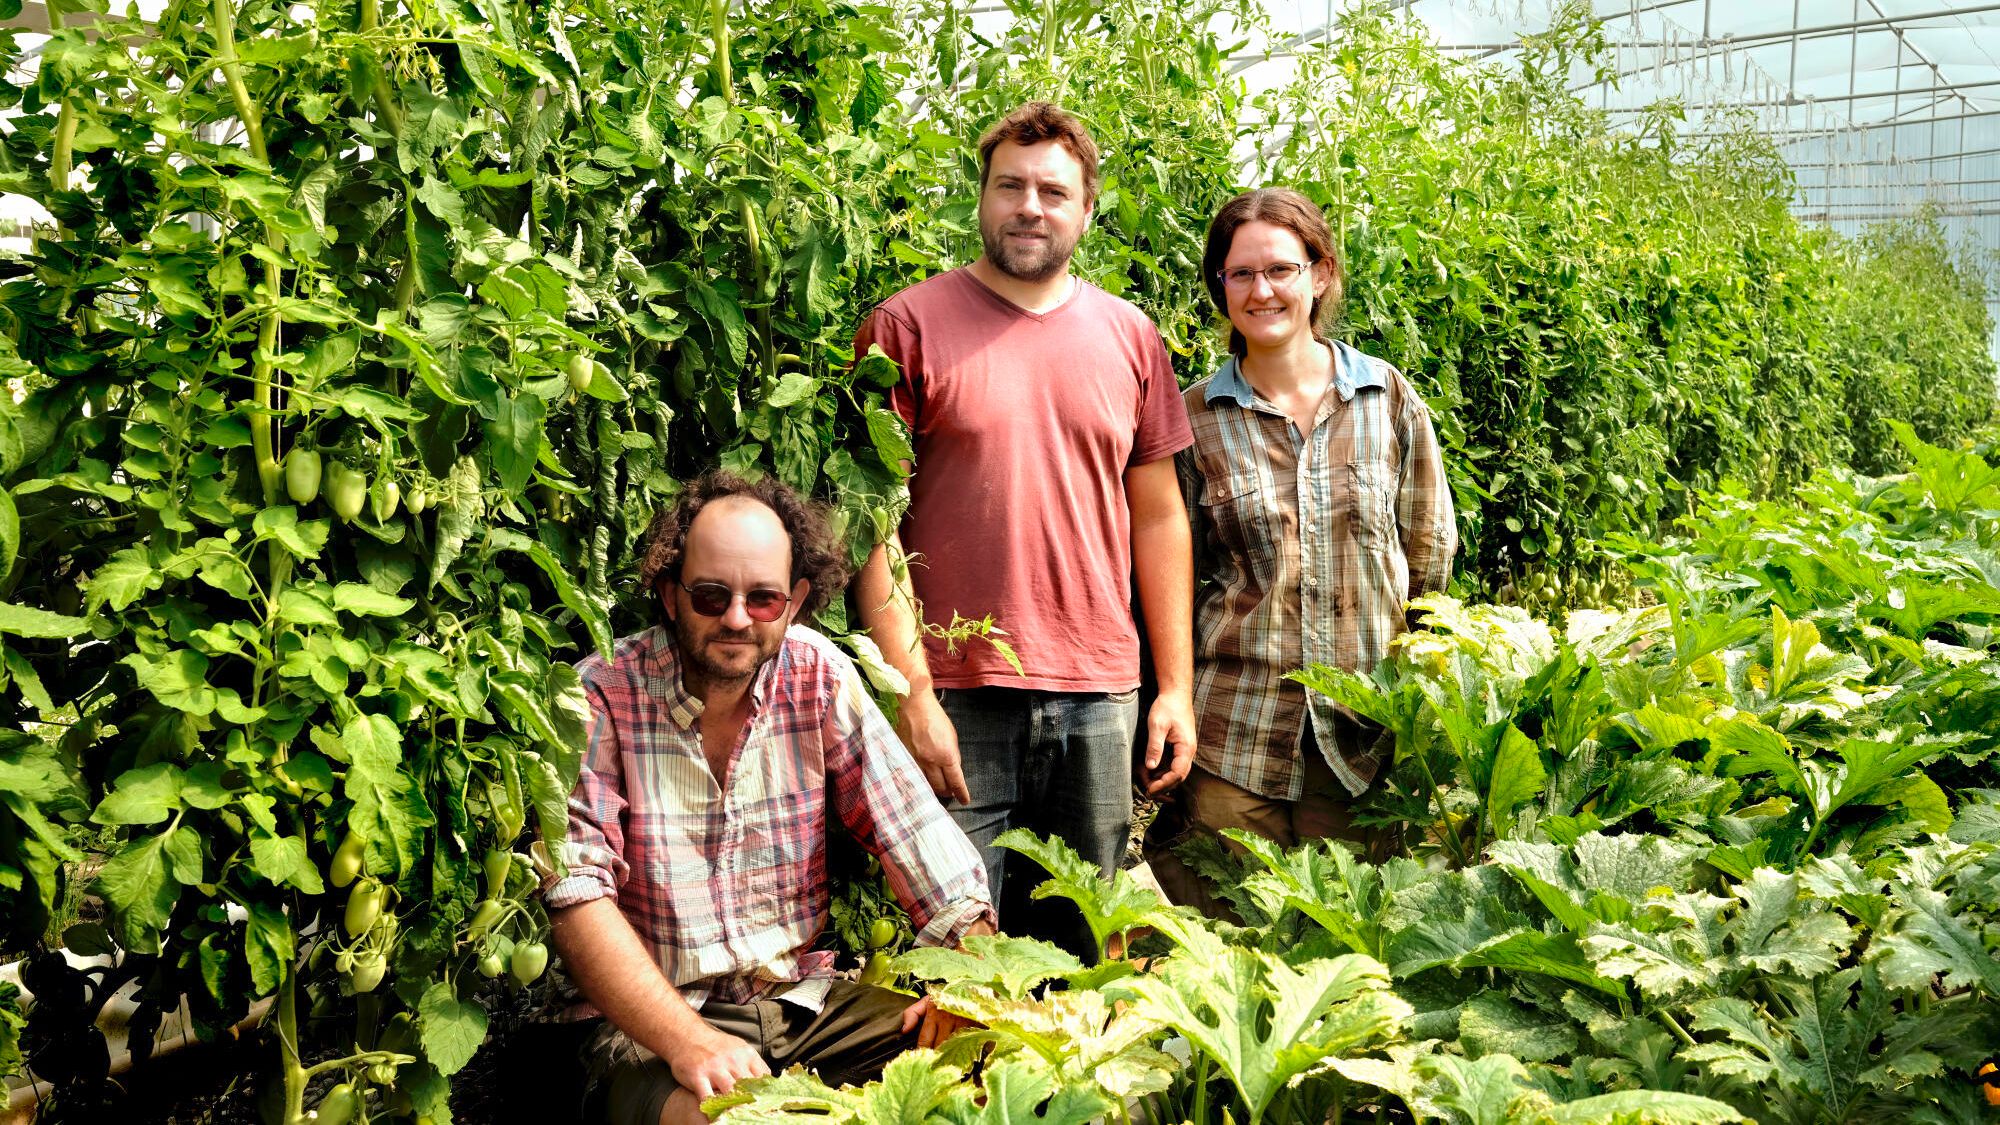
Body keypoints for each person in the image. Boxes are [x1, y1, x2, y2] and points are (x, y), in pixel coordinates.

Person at [850, 101, 1196, 955]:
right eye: (1010, 186)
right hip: (956, 697)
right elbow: (871, 524)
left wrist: (1175, 688)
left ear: (1088, 209)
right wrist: (911, 692)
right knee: (952, 958)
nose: (1030, 207)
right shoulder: (905, 327)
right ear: (981, 197)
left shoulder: (1131, 337)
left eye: (1053, 191)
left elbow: (1159, 517)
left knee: (1081, 955)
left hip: (1099, 694)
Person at [542, 471, 995, 1125]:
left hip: (799, 1005)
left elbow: (916, 832)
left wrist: (969, 977)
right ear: (669, 593)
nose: (736, 618)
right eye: (710, 595)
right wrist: (689, 1041)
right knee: (726, 1122)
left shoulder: (818, 675)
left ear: (794, 601)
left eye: (762, 598)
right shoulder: (601, 693)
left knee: (984, 1064)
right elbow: (576, 895)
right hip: (647, 1025)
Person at [1146, 187, 1457, 918]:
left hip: (1365, 744)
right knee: (1230, 946)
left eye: (1281, 269)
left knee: (1351, 950)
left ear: (1319, 274)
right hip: (1235, 739)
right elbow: (1169, 572)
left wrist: (1421, 705)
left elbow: (1429, 561)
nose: (1262, 291)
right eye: (1241, 273)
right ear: (1220, 287)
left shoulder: (1386, 399)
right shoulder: (1194, 419)